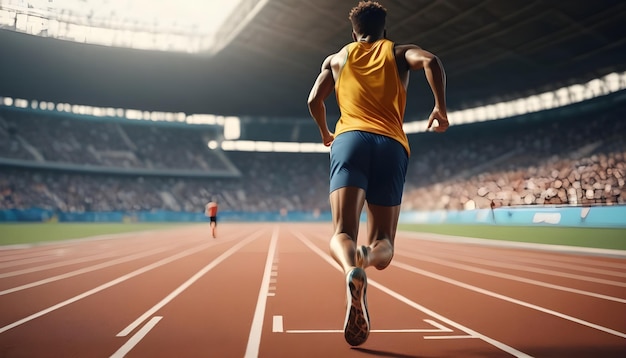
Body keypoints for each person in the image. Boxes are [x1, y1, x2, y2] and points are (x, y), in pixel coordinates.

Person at [307, 1, 449, 346]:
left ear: (353, 33)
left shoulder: (336, 58)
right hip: (392, 145)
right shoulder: (399, 52)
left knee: (343, 231)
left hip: (350, 140)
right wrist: (440, 108)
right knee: (384, 241)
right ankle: (367, 259)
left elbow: (314, 99)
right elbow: (431, 61)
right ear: (385, 30)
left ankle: (350, 267)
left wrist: (326, 133)